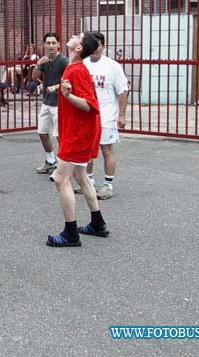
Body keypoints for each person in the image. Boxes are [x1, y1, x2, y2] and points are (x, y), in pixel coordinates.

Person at [46, 32, 109, 247]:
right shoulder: (74, 68)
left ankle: (70, 233)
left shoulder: (78, 69)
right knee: (81, 177)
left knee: (60, 178)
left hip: (78, 133)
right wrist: (59, 89)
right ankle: (97, 223)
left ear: (79, 48)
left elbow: (91, 105)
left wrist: (68, 96)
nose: (73, 36)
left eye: (78, 36)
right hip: (80, 131)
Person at [83, 32, 129, 200]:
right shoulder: (83, 64)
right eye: (92, 45)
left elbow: (123, 91)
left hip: (107, 115)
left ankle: (108, 185)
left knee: (106, 149)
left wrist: (121, 115)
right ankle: (89, 182)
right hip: (87, 115)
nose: (95, 49)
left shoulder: (112, 66)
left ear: (103, 46)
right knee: (86, 151)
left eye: (98, 45)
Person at [32, 32, 68, 175]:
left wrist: (56, 87)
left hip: (60, 104)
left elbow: (70, 80)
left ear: (59, 44)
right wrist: (38, 64)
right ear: (44, 45)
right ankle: (50, 160)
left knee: (59, 136)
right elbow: (34, 77)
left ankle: (62, 166)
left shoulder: (63, 61)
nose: (51, 46)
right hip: (46, 102)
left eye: (54, 43)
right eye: (48, 43)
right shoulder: (45, 61)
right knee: (42, 132)